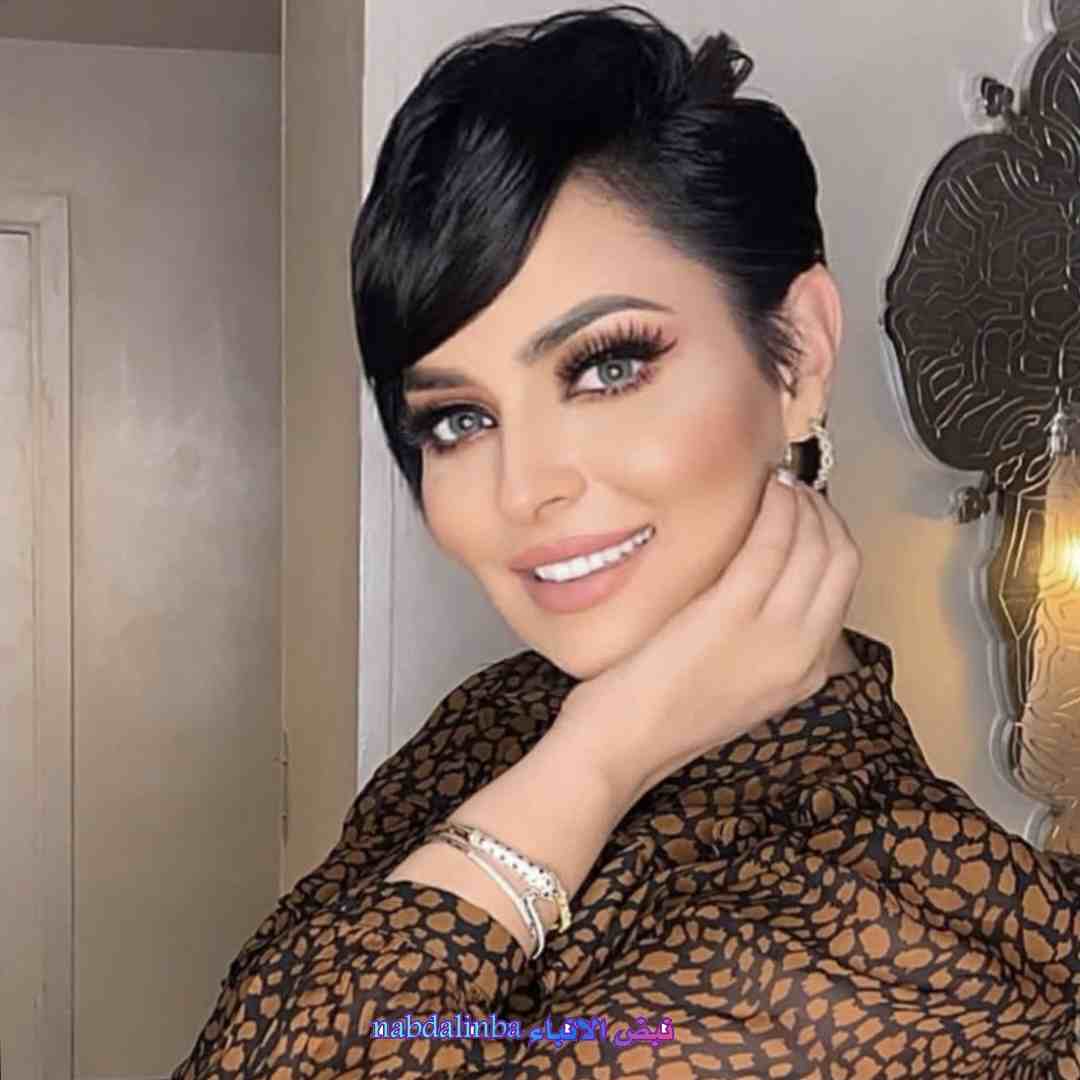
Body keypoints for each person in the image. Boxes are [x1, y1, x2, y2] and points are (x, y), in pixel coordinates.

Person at [171, 6, 1080, 1077]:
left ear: (796, 355)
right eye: (457, 419)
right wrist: (595, 753)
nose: (523, 489)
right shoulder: (501, 715)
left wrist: (595, 763)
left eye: (606, 367)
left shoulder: (907, 928)